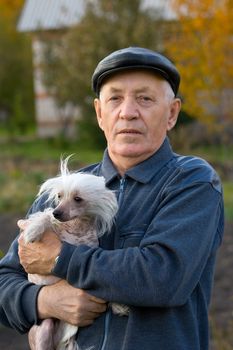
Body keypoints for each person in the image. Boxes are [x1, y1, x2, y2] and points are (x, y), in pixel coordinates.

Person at [0, 47, 224, 350]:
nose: (128, 111)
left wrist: (60, 258)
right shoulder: (63, 191)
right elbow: (5, 281)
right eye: (115, 98)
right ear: (99, 113)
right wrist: (45, 300)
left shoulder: (191, 181)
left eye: (145, 98)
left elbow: (163, 277)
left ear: (172, 113)